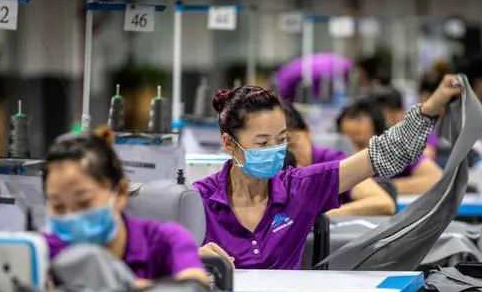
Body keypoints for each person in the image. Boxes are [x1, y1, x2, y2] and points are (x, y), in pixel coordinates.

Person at [194, 79, 461, 270]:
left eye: (282, 139)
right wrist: (192, 258)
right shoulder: (196, 199)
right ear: (229, 144)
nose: (275, 150)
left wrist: (429, 110)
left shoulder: (300, 188)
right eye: (263, 143)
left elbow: (382, 154)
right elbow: (156, 258)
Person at [42, 127, 209, 286]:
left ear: (121, 193)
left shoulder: (167, 242)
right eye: (59, 207)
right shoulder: (43, 252)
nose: (71, 216)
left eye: (84, 203)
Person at [284, 102, 396, 216]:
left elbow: (384, 203)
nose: (289, 156)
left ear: (307, 132)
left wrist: (318, 217)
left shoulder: (332, 162)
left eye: (291, 145)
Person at [337, 99, 442, 195]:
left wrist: (382, 186)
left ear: (376, 129)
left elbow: (436, 179)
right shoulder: (339, 158)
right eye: (348, 140)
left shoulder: (397, 149)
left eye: (359, 141)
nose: (354, 149)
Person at [376, 88, 437, 157]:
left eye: (392, 113)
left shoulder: (421, 127)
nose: (387, 119)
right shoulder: (379, 132)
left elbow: (429, 154)